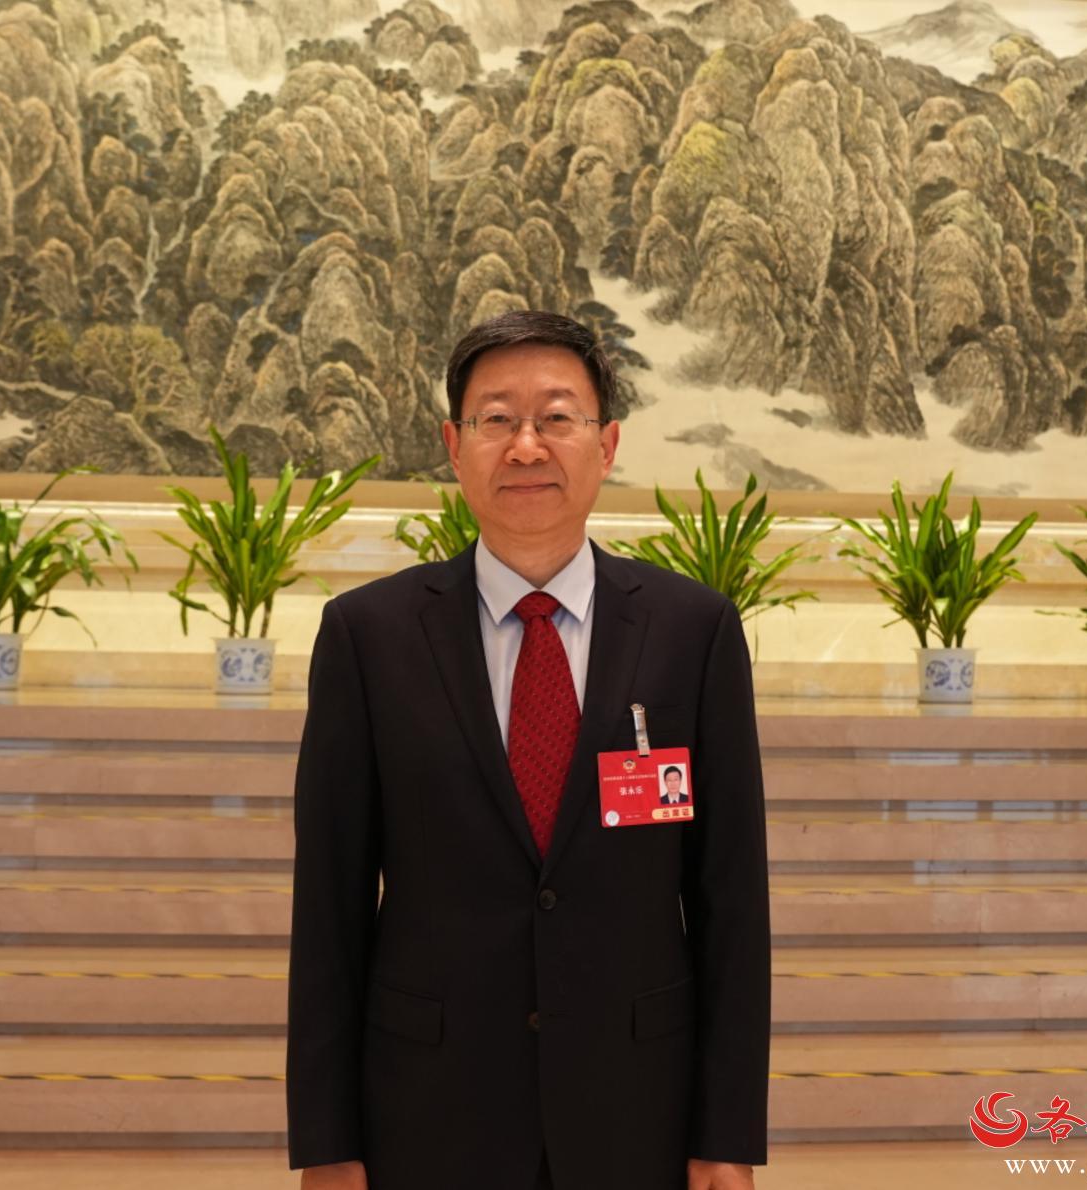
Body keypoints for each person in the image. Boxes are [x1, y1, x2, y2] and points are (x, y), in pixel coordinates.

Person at [285, 310, 770, 1190]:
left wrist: (725, 1135)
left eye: (555, 417)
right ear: (453, 445)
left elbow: (730, 902)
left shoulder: (691, 632)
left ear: (606, 443)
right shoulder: (369, 636)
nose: (525, 446)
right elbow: (330, 908)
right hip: (428, 1110)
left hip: (638, 1108)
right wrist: (327, 1145)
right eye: (497, 419)